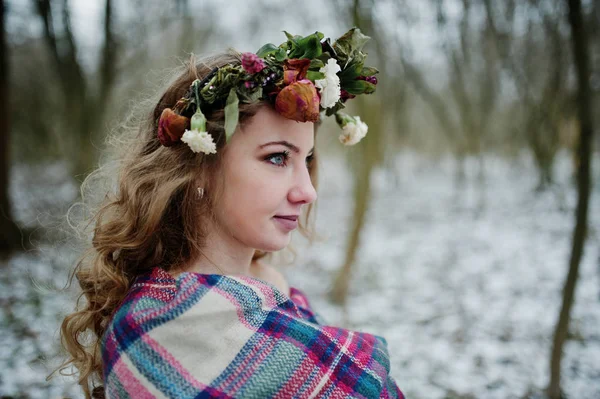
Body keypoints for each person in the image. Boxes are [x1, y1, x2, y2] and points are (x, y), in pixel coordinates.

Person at [54, 28, 403, 399]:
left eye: (307, 159)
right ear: (199, 168)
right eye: (277, 157)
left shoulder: (276, 295)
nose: (308, 192)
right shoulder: (158, 332)